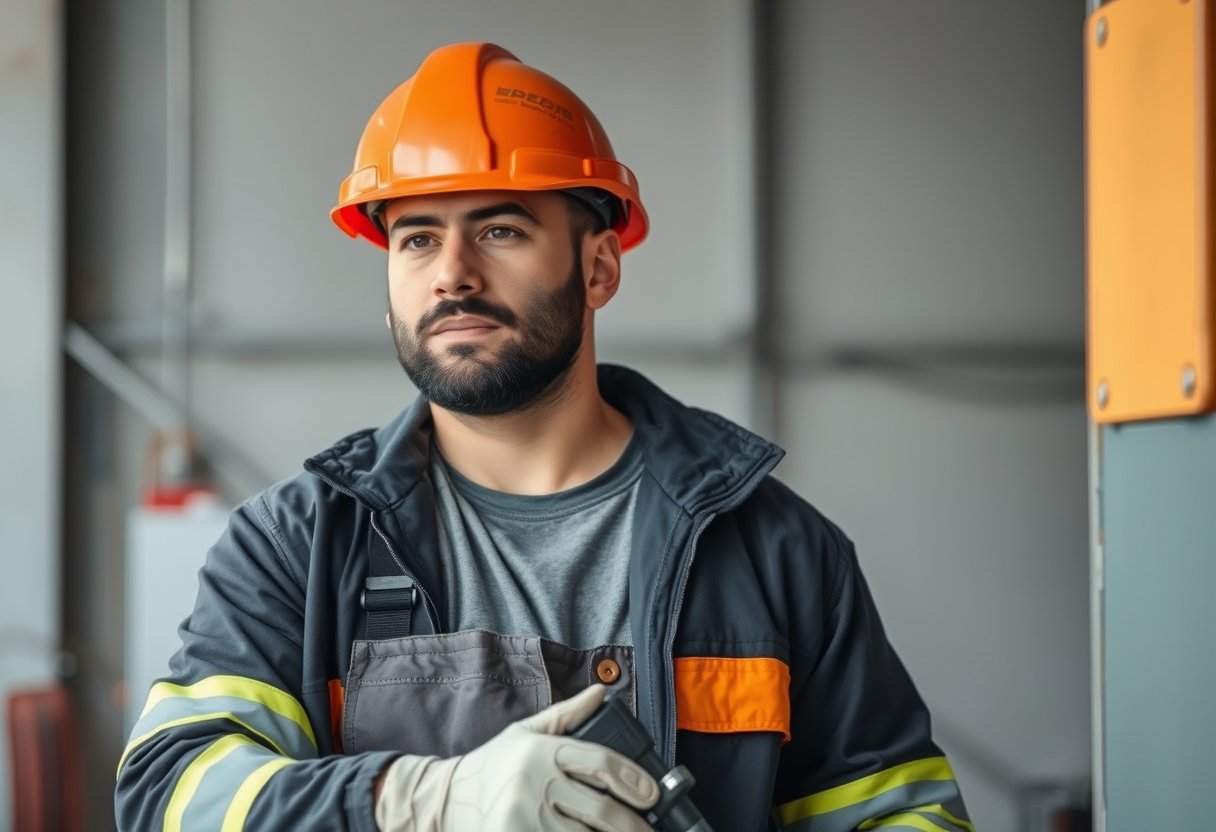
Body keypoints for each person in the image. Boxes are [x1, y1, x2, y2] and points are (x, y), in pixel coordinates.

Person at [115, 42, 971, 832]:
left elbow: (901, 813)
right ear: (389, 289)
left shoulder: (774, 550)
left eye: (500, 230)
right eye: (417, 238)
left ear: (598, 267)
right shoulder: (300, 547)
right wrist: (420, 800)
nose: (453, 273)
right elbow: (169, 793)